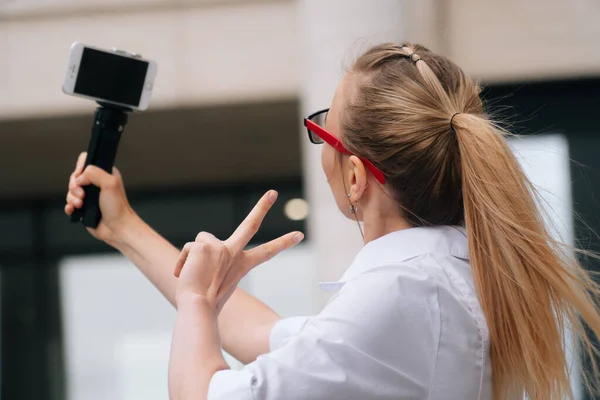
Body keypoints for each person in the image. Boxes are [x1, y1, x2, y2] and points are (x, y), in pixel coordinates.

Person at [65, 43, 600, 400]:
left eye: (324, 128)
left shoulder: (403, 291)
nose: (318, 138)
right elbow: (258, 333)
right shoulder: (443, 278)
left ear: (354, 176)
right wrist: (123, 227)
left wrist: (196, 302)